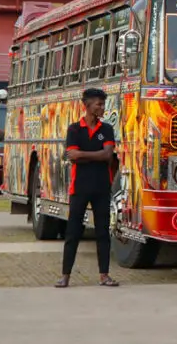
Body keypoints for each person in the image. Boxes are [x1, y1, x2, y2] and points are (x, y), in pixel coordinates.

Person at [56, 88, 120, 288]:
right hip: (79, 187)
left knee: (102, 232)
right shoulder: (74, 129)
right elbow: (71, 154)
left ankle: (104, 275)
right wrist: (96, 154)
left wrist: (82, 155)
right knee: (73, 232)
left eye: (103, 104)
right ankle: (65, 275)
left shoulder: (107, 129)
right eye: (98, 104)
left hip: (102, 187)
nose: (102, 108)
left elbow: (107, 156)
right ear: (87, 106)